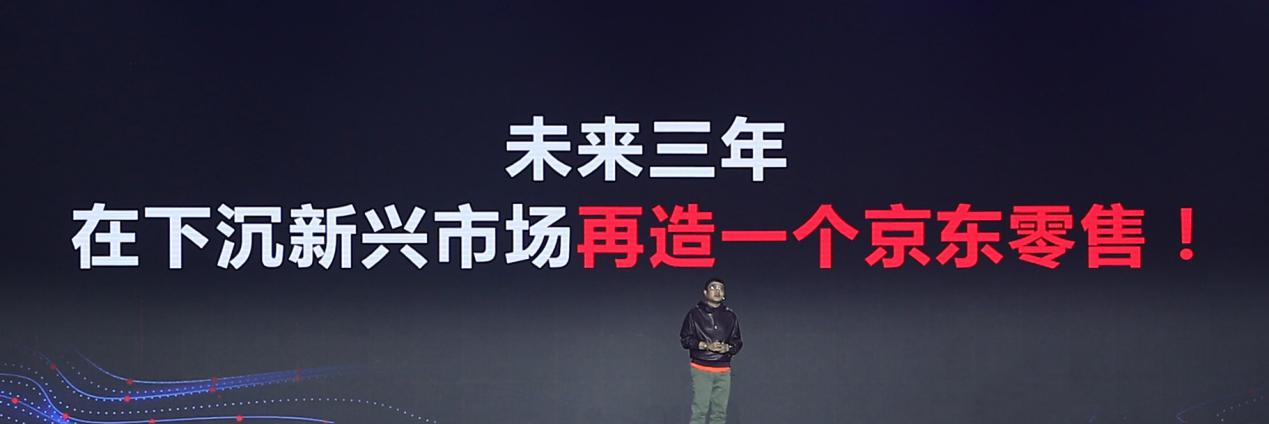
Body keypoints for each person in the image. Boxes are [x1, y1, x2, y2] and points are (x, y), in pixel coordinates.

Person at [679, 278, 743, 424]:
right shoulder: (694, 314)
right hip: (701, 367)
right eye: (713, 288)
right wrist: (705, 345)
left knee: (720, 412)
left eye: (721, 288)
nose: (717, 291)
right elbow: (685, 339)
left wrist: (728, 348)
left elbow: (737, 341)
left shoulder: (730, 316)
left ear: (724, 294)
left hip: (723, 368)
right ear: (705, 292)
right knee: (700, 410)